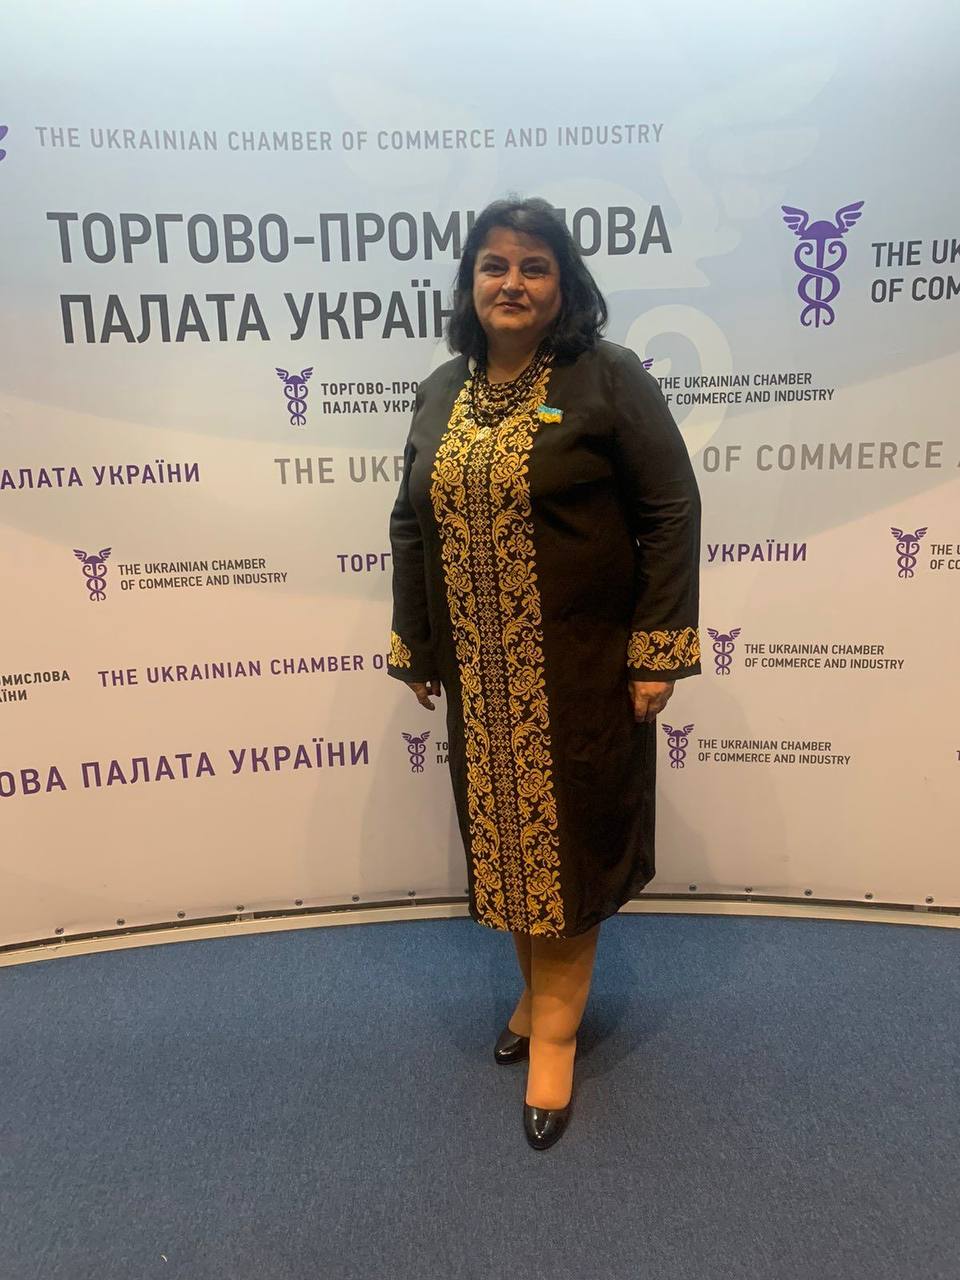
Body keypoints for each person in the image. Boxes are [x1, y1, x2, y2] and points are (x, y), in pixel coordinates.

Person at [387, 195, 701, 1150]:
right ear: (469, 282)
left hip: (582, 675)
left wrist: (656, 649)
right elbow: (410, 522)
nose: (512, 283)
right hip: (480, 681)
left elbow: (670, 510)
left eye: (534, 267)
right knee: (509, 853)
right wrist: (417, 645)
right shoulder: (442, 389)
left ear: (565, 284)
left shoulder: (607, 379)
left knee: (565, 850)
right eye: (494, 265)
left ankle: (556, 1039)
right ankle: (535, 1000)